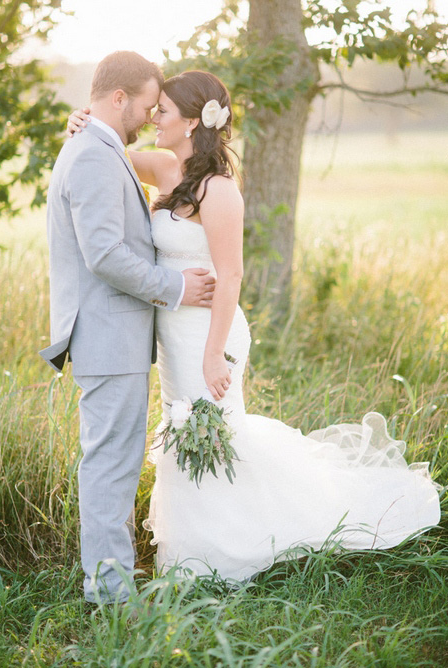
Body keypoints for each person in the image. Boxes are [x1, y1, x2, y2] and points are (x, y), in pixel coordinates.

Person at [67, 70, 441, 583]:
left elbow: (233, 273)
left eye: (165, 112)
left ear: (193, 121)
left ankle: (224, 551)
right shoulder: (158, 165)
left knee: (211, 428)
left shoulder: (219, 190)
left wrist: (213, 352)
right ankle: (191, 548)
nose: (154, 118)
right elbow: (105, 153)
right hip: (173, 331)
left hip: (208, 332)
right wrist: (81, 122)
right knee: (184, 428)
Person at [40, 52, 217, 603]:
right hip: (106, 334)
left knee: (110, 460)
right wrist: (178, 288)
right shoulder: (93, 154)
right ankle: (111, 593)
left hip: (110, 335)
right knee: (111, 466)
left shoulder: (95, 145)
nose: (148, 116)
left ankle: (110, 579)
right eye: (145, 105)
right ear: (118, 98)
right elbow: (105, 255)